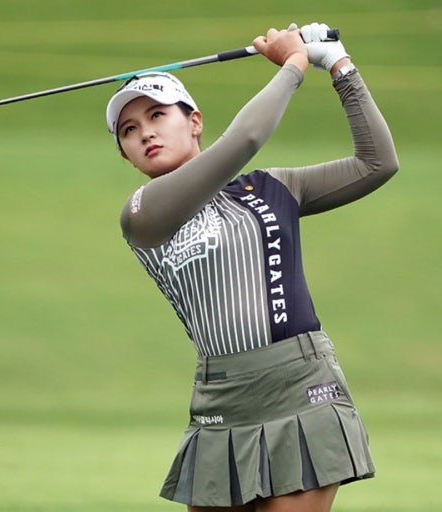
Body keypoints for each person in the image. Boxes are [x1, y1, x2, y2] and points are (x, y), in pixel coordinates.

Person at [105, 22, 398, 512]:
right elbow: (244, 138)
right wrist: (293, 64)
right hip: (221, 400)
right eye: (128, 130)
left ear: (194, 121)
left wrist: (338, 65)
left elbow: (376, 163)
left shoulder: (271, 188)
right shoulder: (143, 213)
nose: (145, 133)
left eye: (156, 114)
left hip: (301, 385)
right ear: (125, 154)